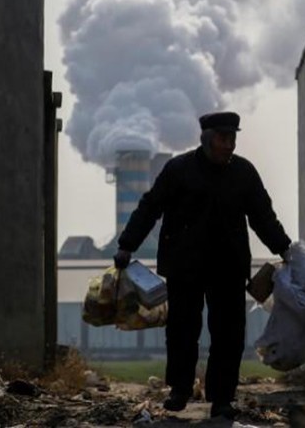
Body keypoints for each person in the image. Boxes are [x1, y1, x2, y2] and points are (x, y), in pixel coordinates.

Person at [113, 111, 291, 420]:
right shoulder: (179, 170)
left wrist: (286, 249)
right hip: (185, 267)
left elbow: (263, 217)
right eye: (224, 138)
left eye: (233, 138)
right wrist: (127, 245)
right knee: (182, 330)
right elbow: (150, 207)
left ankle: (222, 398)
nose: (229, 145)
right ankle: (180, 391)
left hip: (229, 268)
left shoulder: (244, 173)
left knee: (229, 334)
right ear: (207, 139)